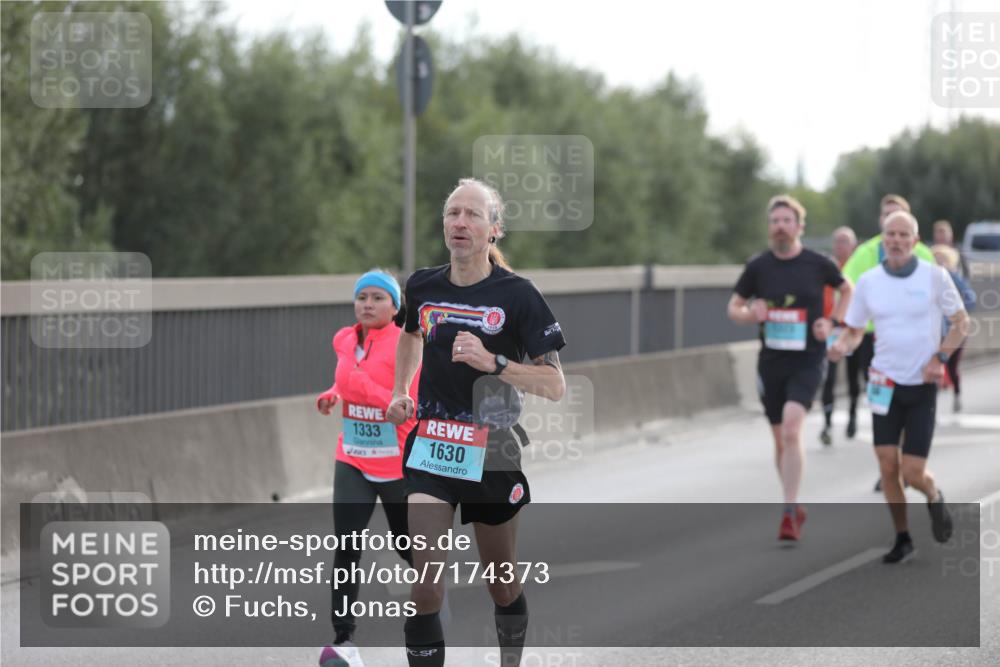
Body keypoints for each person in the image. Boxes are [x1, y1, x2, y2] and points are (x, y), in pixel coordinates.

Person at [386, 178, 567, 667]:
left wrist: (496, 364)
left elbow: (554, 384)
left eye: (472, 215)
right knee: (425, 585)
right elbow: (409, 332)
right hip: (434, 442)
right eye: (452, 214)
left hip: (493, 450)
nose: (460, 223)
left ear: (494, 230)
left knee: (501, 582)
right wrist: (402, 389)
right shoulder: (422, 285)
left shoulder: (519, 295)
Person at [829, 211, 968, 563]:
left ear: (915, 240)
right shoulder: (870, 282)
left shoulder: (935, 277)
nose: (896, 241)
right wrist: (842, 344)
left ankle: (934, 496)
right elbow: (856, 328)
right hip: (884, 382)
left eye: (904, 235)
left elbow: (961, 323)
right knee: (887, 465)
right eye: (890, 234)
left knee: (912, 472)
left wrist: (939, 358)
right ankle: (902, 537)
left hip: (921, 385)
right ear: (882, 238)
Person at [727, 195, 852, 541]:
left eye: (786, 221)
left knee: (792, 430)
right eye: (775, 221)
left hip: (808, 359)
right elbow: (733, 308)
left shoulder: (817, 263)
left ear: (800, 227)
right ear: (770, 228)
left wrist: (833, 323)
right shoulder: (758, 267)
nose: (780, 227)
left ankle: (787, 510)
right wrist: (751, 313)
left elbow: (847, 289)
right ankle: (793, 504)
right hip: (771, 362)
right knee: (781, 440)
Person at [316, 270, 421, 667]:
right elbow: (345, 382)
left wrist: (362, 388)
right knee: (347, 547)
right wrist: (334, 393)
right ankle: (344, 640)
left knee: (407, 547)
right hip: (353, 457)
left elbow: (406, 403)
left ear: (395, 308)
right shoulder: (345, 339)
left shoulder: (407, 344)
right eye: (362, 297)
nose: (368, 304)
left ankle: (430, 603)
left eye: (378, 298)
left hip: (395, 463)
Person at [841, 195, 936, 492]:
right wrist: (839, 335)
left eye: (899, 219)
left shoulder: (924, 256)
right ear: (881, 222)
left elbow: (941, 301)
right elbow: (846, 287)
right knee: (880, 403)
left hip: (912, 346)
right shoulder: (866, 252)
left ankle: (910, 463)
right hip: (871, 339)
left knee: (911, 405)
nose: (893, 231)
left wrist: (939, 353)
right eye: (887, 218)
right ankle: (889, 466)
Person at [819, 226, 860, 445]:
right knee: (829, 376)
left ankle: (853, 416)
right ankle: (827, 423)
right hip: (833, 328)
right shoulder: (827, 268)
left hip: (852, 329)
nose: (840, 246)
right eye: (837, 241)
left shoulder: (858, 267)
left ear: (853, 245)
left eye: (845, 241)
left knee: (854, 376)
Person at [931, 244, 977, 412]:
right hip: (937, 333)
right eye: (936, 260)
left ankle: (957, 394)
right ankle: (931, 403)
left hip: (955, 332)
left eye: (942, 260)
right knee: (934, 366)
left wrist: (956, 310)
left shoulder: (954, 279)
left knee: (952, 366)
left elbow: (971, 300)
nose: (939, 264)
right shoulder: (928, 279)